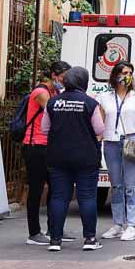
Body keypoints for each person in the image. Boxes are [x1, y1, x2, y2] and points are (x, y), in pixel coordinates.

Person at [41, 67, 105, 252]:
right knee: (86, 197)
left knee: (59, 197)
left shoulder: (52, 103)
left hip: (58, 156)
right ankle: (90, 239)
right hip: (86, 157)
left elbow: (45, 129)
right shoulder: (90, 103)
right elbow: (99, 130)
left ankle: (55, 240)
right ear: (83, 82)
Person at [97, 61, 135, 241]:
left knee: (132, 184)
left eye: (130, 72)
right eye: (123, 72)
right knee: (116, 185)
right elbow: (100, 121)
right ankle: (117, 223)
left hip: (131, 141)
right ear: (115, 75)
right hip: (111, 143)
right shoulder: (105, 97)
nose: (127, 75)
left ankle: (131, 225)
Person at [23, 60, 71, 246]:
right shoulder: (40, 93)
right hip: (35, 146)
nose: (65, 81)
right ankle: (34, 232)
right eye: (63, 78)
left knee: (56, 189)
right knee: (36, 190)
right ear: (54, 75)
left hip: (49, 146)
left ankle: (54, 228)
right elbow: (55, 112)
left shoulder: (55, 92)